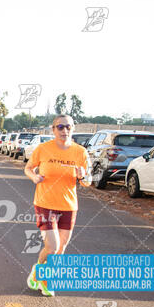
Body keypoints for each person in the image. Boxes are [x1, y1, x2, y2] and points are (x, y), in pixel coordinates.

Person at [23, 114, 91, 297]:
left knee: (60, 249)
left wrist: (82, 176)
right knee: (52, 246)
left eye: (68, 126)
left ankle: (43, 278)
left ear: (73, 128)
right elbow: (28, 168)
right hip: (45, 203)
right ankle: (42, 274)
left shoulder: (81, 152)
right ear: (53, 130)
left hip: (68, 205)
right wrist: (35, 177)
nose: (64, 130)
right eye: (60, 127)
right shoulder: (43, 149)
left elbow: (88, 182)